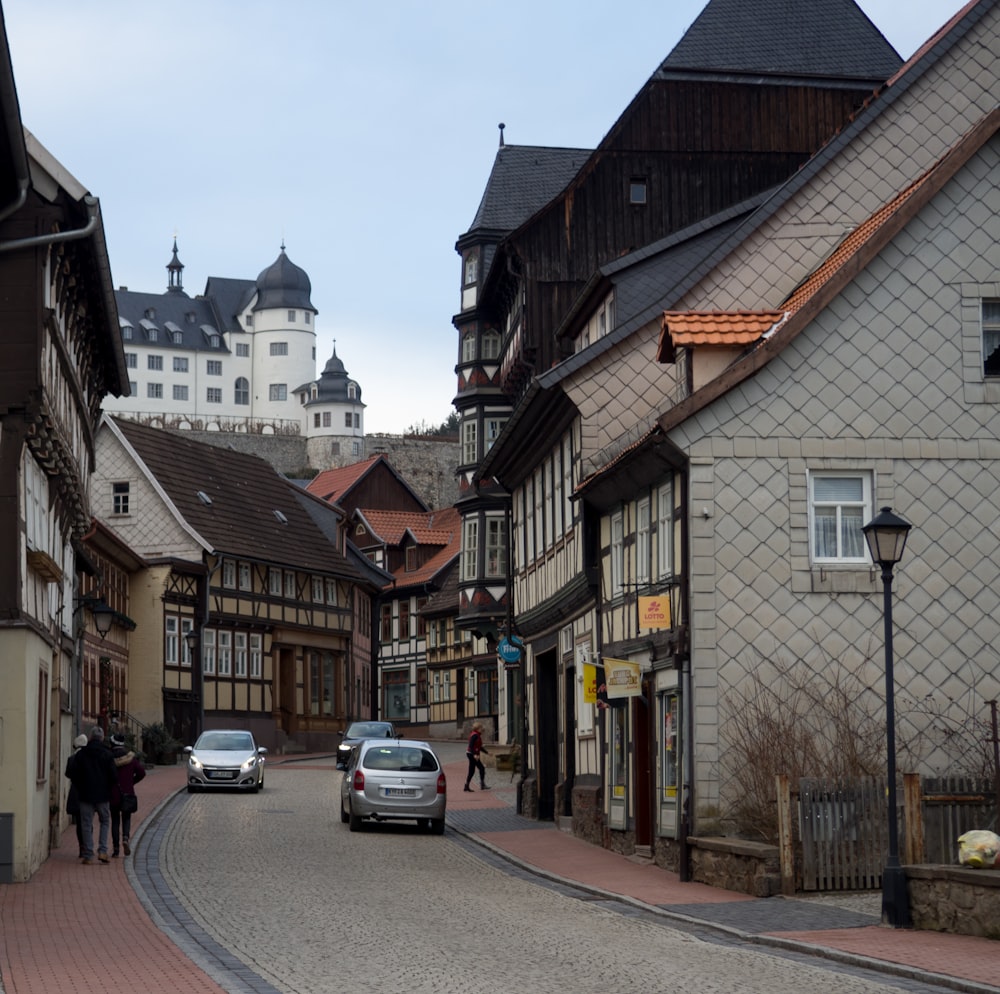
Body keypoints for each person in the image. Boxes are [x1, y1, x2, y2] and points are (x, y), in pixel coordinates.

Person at [66, 726, 117, 864]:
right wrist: (107, 787)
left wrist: (81, 786)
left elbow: (73, 774)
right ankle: (102, 851)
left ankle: (88, 854)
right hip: (103, 795)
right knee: (105, 821)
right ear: (102, 738)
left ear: (90, 737)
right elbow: (113, 776)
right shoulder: (107, 754)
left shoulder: (81, 754)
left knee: (86, 823)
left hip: (85, 794)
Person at [109, 733, 146, 857]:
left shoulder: (109, 758)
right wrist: (132, 782)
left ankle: (115, 849)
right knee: (126, 817)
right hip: (128, 793)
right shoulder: (130, 758)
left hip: (113, 794)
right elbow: (141, 772)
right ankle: (125, 838)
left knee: (114, 820)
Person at [64, 734, 88, 858]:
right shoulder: (89, 758)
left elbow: (67, 774)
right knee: (88, 820)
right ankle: (88, 845)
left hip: (76, 791)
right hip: (88, 791)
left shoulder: (71, 758)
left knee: (79, 822)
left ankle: (82, 847)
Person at [464, 722, 489, 792]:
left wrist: (487, 753)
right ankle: (481, 784)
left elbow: (479, 747)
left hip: (472, 754)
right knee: (479, 768)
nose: (482, 729)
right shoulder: (474, 735)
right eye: (481, 728)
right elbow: (471, 746)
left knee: (475, 769)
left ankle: (467, 785)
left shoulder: (477, 735)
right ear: (477, 728)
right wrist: (474, 754)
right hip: (471, 754)